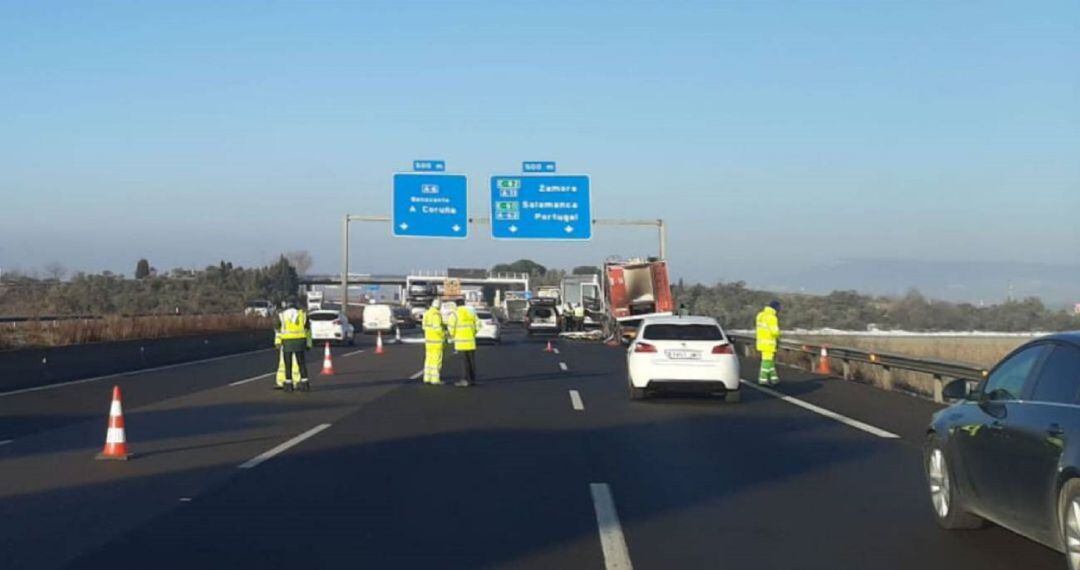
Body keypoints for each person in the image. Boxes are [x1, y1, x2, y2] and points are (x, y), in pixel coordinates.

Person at [275, 298, 312, 392]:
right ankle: (305, 384)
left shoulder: (282, 315)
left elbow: (278, 330)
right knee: (301, 364)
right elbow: (308, 331)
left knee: (288, 364)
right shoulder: (303, 315)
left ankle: (288, 385)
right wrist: (309, 344)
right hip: (300, 343)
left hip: (287, 343)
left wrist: (278, 342)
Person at [447, 303, 481, 387]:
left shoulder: (455, 314)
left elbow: (451, 327)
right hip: (470, 341)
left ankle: (465, 380)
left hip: (461, 342)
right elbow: (479, 325)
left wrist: (452, 335)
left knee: (464, 362)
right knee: (471, 362)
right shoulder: (471, 313)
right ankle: (472, 380)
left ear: (456, 305)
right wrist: (473, 333)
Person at [755, 300, 782, 385]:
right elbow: (775, 332)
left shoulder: (760, 315)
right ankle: (763, 379)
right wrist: (779, 334)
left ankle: (774, 378)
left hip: (761, 342)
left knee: (769, 361)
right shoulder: (772, 317)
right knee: (767, 361)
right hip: (769, 343)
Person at [421, 299, 446, 385]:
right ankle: (435, 379)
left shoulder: (427, 313)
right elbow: (437, 328)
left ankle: (427, 377)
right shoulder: (436, 314)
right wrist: (444, 334)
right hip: (436, 340)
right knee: (436, 360)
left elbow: (424, 327)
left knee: (428, 359)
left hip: (428, 340)